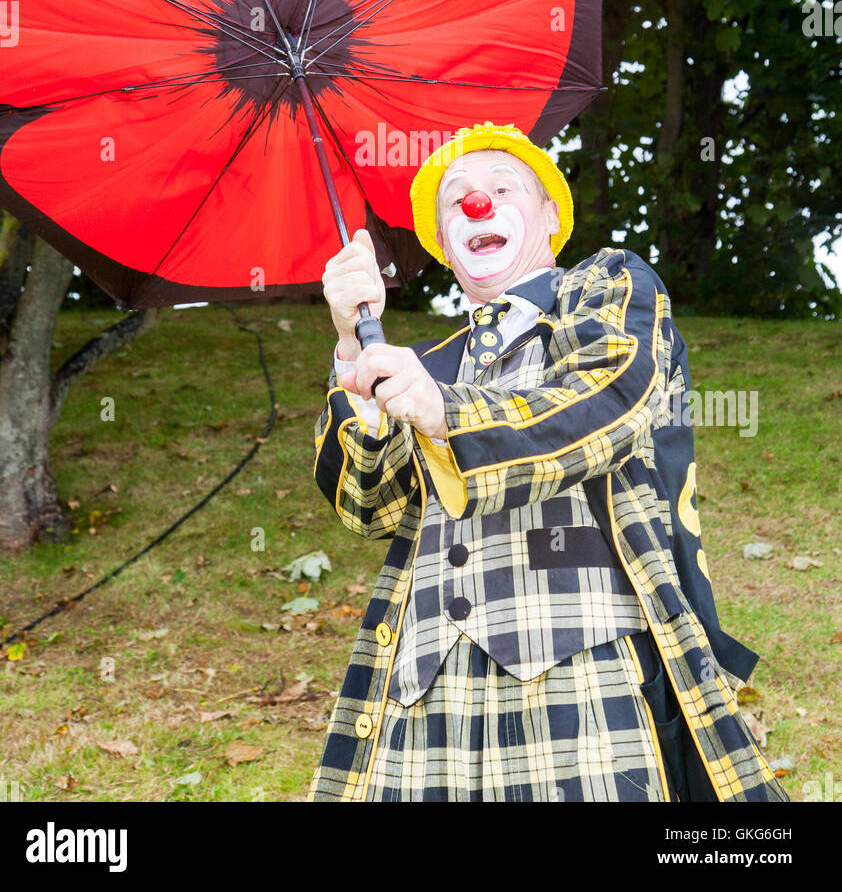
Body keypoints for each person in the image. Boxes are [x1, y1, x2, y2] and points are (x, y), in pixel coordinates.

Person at [308, 120, 788, 803]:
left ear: (551, 216)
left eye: (504, 187)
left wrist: (446, 414)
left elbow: (604, 405)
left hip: (579, 681)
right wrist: (354, 345)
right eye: (456, 200)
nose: (478, 202)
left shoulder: (606, 291)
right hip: (422, 694)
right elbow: (367, 503)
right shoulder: (428, 364)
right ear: (443, 242)